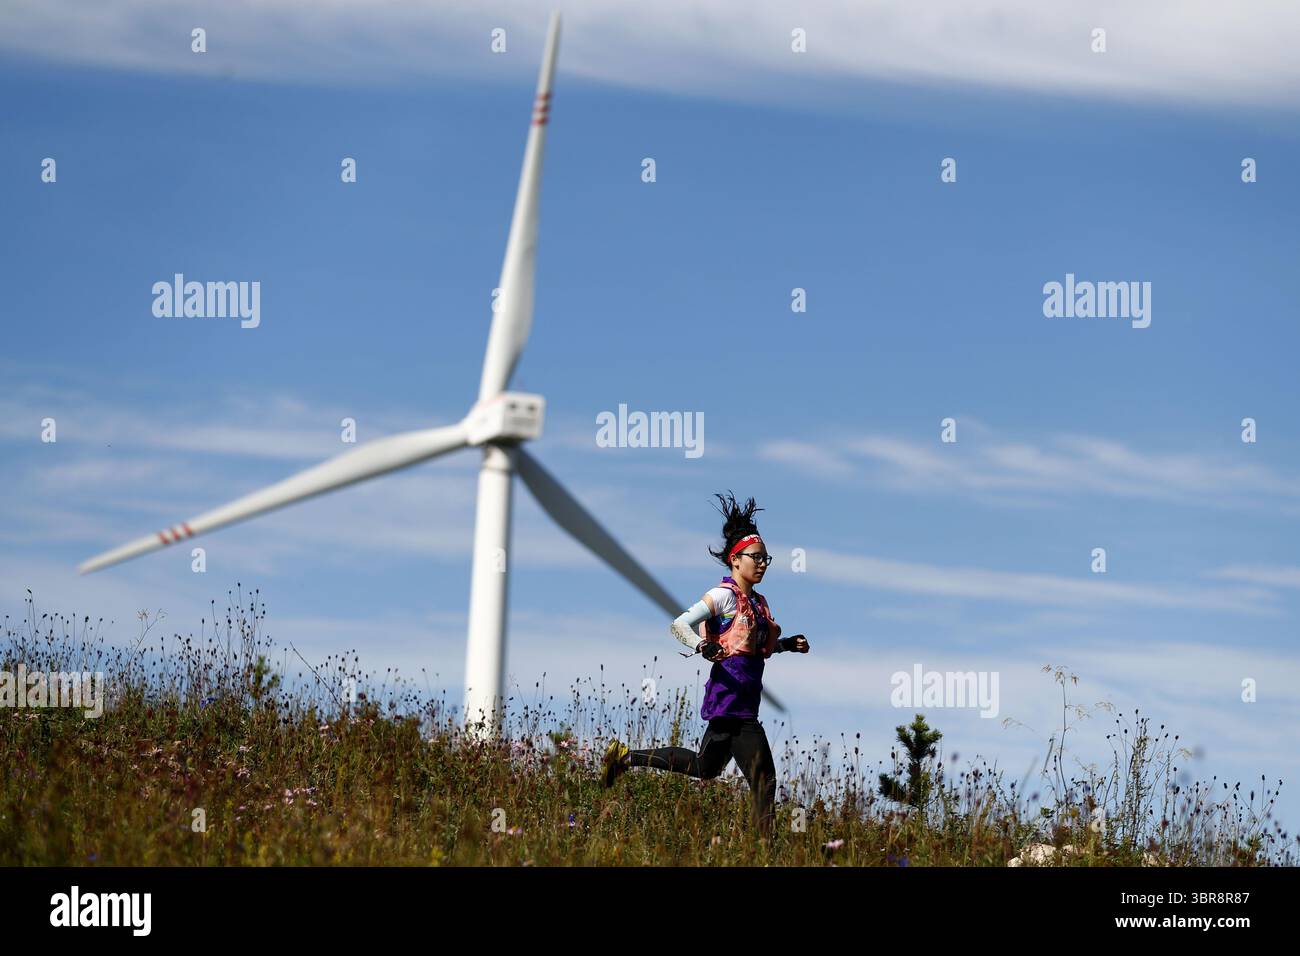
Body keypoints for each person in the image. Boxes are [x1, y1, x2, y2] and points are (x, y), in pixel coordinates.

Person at [601, 491, 810, 841]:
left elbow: (753, 649)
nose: (762, 564)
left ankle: (625, 758)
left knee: (705, 766)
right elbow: (679, 624)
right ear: (735, 560)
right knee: (765, 779)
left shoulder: (759, 603)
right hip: (733, 705)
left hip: (740, 703)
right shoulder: (722, 596)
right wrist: (702, 645)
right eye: (756, 557)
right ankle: (765, 850)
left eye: (766, 559)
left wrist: (787, 644)